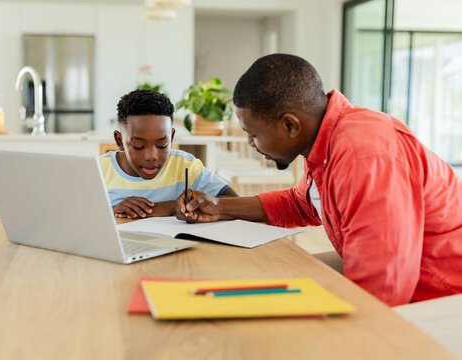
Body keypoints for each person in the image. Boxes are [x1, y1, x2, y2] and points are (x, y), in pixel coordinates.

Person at [176, 54, 462, 306]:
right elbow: (303, 204)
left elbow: (384, 288)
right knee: (267, 280)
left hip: (440, 293)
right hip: (403, 271)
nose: (250, 143)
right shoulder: (327, 139)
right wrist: (220, 207)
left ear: (290, 125)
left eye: (253, 134)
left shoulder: (364, 157)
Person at [99, 89, 237, 219]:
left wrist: (170, 206)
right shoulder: (98, 170)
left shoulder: (185, 165)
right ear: (120, 140)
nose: (151, 156)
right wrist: (111, 211)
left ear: (171, 138)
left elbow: (235, 201)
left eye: (162, 145)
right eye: (138, 146)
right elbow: (80, 217)